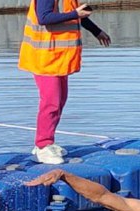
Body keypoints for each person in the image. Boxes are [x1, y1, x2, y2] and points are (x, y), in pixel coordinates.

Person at [18, 0, 111, 165]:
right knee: (51, 102)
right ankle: (43, 145)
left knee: (60, 100)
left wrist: (96, 31)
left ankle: (48, 142)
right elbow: (44, 17)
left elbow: (75, 14)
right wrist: (76, 14)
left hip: (58, 58)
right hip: (44, 58)